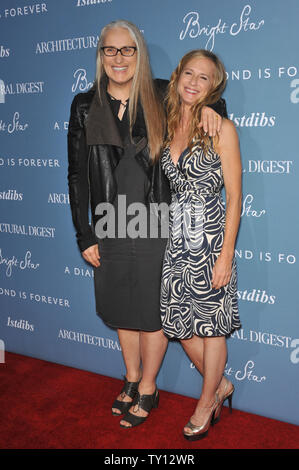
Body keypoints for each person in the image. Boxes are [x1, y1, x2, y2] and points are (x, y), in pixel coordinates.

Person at [67, 20, 226, 429]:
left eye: (128, 50)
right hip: (109, 220)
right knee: (123, 309)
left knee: (153, 310)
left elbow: (204, 99)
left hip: (157, 218)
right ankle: (132, 378)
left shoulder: (160, 92)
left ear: (139, 53)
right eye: (110, 50)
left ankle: (150, 387)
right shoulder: (84, 105)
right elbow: (76, 173)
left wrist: (213, 108)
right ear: (100, 55)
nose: (119, 59)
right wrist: (84, 233)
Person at [160, 49, 242, 440]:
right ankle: (221, 385)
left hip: (209, 242)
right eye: (188, 74)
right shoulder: (169, 121)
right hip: (177, 240)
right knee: (177, 325)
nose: (193, 82)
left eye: (204, 78)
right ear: (177, 77)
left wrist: (225, 255)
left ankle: (206, 402)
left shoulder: (222, 128)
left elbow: (235, 198)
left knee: (213, 331)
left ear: (215, 86)